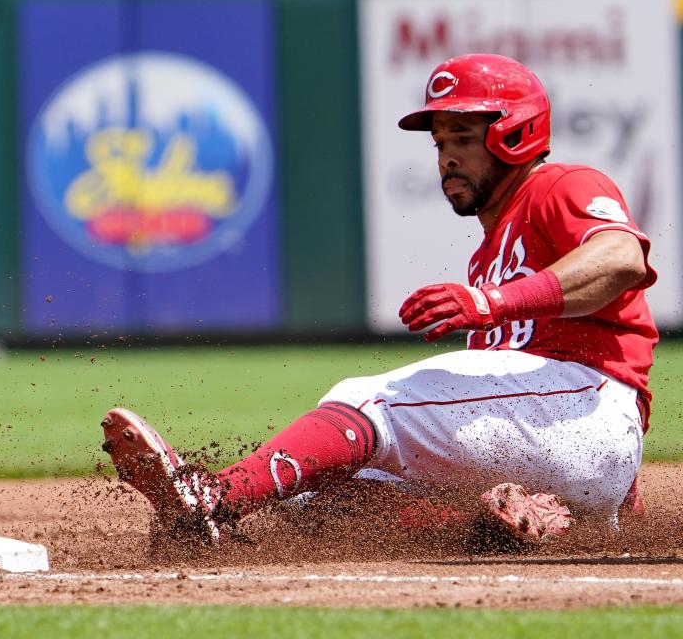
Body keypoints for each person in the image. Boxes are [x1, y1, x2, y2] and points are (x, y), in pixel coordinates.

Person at [99, 53, 657, 545]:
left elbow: (620, 260)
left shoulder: (562, 185)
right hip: (568, 452)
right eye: (440, 142)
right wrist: (608, 495)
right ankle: (489, 529)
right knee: (314, 495)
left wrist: (489, 303)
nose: (446, 158)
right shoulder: (487, 255)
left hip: (589, 405)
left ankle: (211, 498)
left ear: (515, 134)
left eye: (463, 137)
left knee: (370, 402)